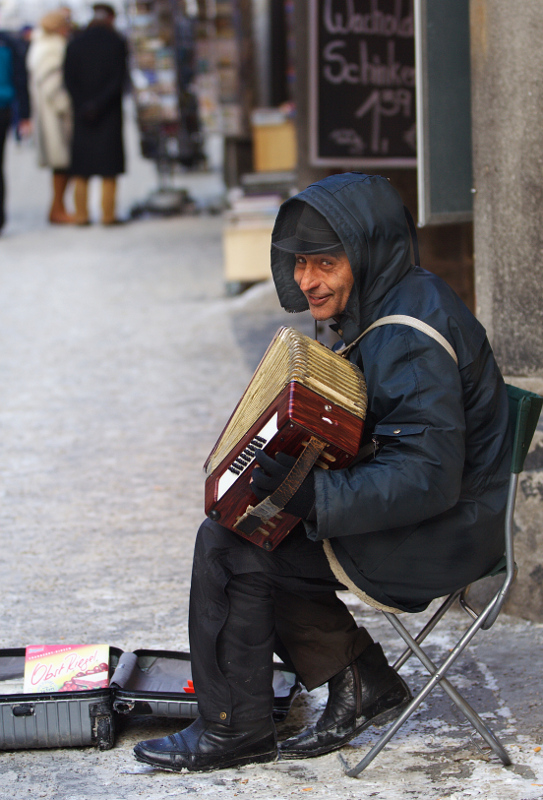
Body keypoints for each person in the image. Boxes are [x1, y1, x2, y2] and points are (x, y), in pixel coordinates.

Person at [133, 172, 512, 772]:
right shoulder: (398, 299)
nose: (308, 280)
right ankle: (358, 681)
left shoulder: (408, 335)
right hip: (451, 515)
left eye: (326, 264)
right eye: (301, 263)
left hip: (445, 534)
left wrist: (317, 495)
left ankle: (235, 728)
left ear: (366, 255)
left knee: (236, 543)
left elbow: (428, 477)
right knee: (252, 520)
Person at [63, 2, 127, 225]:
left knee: (82, 167)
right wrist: (99, 103)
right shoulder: (116, 42)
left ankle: (81, 214)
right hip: (107, 111)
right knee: (108, 167)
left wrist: (84, 104)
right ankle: (108, 215)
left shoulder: (75, 43)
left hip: (83, 113)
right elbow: (118, 80)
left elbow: (68, 79)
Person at [27, 9, 74, 224]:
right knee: (62, 164)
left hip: (49, 113)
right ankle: (57, 208)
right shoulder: (52, 48)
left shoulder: (42, 45)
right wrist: (66, 105)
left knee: (62, 165)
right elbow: (51, 84)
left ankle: (58, 207)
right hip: (54, 116)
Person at [0, 28, 31, 233]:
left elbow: (20, 79)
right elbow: (20, 79)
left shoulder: (9, 43)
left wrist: (26, 114)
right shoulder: (9, 42)